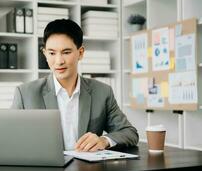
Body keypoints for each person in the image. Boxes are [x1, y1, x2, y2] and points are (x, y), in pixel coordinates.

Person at [11, 19, 138, 151]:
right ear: (45, 54)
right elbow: (10, 138)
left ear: (80, 53)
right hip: (44, 170)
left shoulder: (102, 91)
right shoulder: (25, 93)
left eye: (66, 52)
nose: (59, 61)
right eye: (52, 53)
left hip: (87, 170)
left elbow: (129, 132)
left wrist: (104, 140)